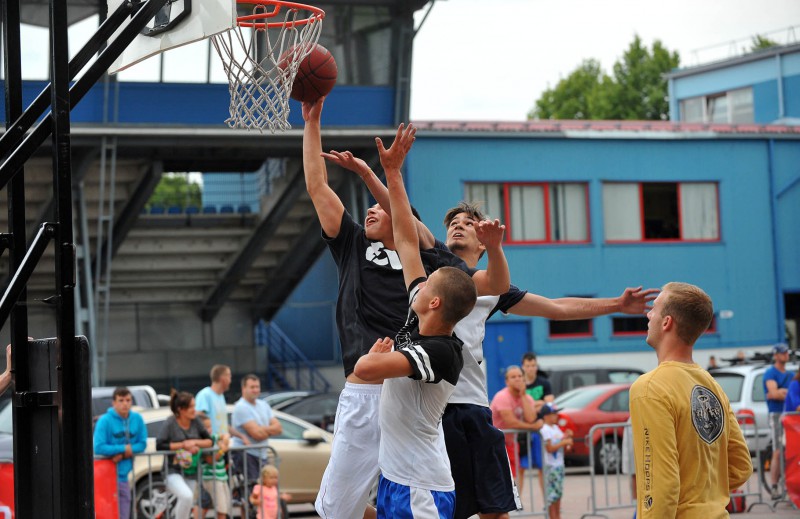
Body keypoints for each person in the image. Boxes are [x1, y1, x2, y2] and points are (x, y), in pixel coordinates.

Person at [302, 97, 508, 519]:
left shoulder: (438, 274)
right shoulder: (364, 249)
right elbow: (320, 188)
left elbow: (414, 234)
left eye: (384, 206)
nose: (374, 208)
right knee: (338, 509)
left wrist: (495, 250)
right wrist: (314, 123)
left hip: (399, 379)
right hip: (369, 392)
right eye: (371, 205)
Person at [352, 123, 477, 518]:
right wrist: (391, 174)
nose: (417, 279)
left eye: (427, 281)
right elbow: (406, 240)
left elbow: (365, 368)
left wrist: (374, 358)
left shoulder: (439, 352)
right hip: (398, 476)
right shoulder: (422, 319)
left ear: (434, 301)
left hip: (419, 485)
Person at [630, 282, 752, 517]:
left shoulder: (649, 388)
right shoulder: (712, 385)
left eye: (654, 308)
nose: (648, 314)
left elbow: (660, 484)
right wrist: (701, 492)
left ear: (667, 322)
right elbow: (741, 467)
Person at [156, 390, 213, 519]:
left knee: (188, 502)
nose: (194, 410)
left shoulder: (196, 421)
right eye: (191, 407)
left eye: (194, 406)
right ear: (181, 409)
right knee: (186, 496)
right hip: (172, 469)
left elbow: (209, 441)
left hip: (191, 470)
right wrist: (182, 445)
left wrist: (195, 443)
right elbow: (159, 445)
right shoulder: (170, 423)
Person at [93, 387, 147, 519]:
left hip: (123, 477)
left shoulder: (137, 418)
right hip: (105, 477)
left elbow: (142, 444)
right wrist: (124, 449)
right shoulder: (104, 421)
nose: (125, 403)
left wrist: (123, 453)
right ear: (114, 403)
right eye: (121, 400)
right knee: (105, 514)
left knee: (123, 514)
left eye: (128, 400)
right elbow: (98, 447)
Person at [490, 365, 542, 483]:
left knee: (516, 476)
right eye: (513, 377)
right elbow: (511, 422)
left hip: (511, 442)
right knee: (501, 478)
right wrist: (533, 427)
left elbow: (531, 418)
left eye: (520, 376)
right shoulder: (502, 396)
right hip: (495, 443)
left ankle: (516, 500)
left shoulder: (527, 398)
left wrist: (523, 395)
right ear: (507, 381)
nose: (518, 379)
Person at [231, 374, 281, 492]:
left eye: (257, 387)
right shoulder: (241, 407)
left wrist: (261, 429)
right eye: (252, 387)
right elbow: (257, 435)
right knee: (252, 491)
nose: (255, 390)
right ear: (244, 388)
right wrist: (268, 429)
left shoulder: (263, 405)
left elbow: (279, 428)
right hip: (247, 454)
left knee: (266, 489)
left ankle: (262, 511)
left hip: (261, 453)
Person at [519, 352, 553, 494]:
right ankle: (518, 500)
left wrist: (531, 403)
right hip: (523, 430)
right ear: (523, 366)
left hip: (540, 429)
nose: (531, 369)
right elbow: (518, 404)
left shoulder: (544, 382)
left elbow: (550, 403)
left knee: (542, 467)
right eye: (528, 366)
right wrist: (539, 403)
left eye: (533, 365)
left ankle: (546, 500)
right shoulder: (520, 384)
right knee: (521, 468)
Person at [764, 342, 795, 499]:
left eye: (787, 353)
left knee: (792, 451)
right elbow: (774, 394)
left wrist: (782, 392)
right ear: (776, 355)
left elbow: (785, 394)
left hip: (791, 416)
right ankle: (774, 486)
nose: (786, 355)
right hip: (777, 415)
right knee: (777, 451)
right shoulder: (770, 373)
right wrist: (781, 393)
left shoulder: (790, 375)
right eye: (783, 353)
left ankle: (790, 485)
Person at [539, 404, 572, 519]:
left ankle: (557, 516)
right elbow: (549, 448)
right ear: (546, 416)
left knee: (558, 495)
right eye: (553, 414)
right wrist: (563, 443)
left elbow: (560, 440)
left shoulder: (555, 428)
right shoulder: (545, 430)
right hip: (551, 467)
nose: (556, 416)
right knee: (552, 497)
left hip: (559, 466)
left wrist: (566, 436)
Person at [200, 431, 232, 519]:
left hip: (222, 478)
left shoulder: (212, 437)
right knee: (221, 510)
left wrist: (224, 441)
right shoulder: (201, 442)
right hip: (212, 479)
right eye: (205, 428)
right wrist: (221, 451)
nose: (209, 430)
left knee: (225, 508)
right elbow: (210, 460)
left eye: (210, 427)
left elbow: (226, 435)